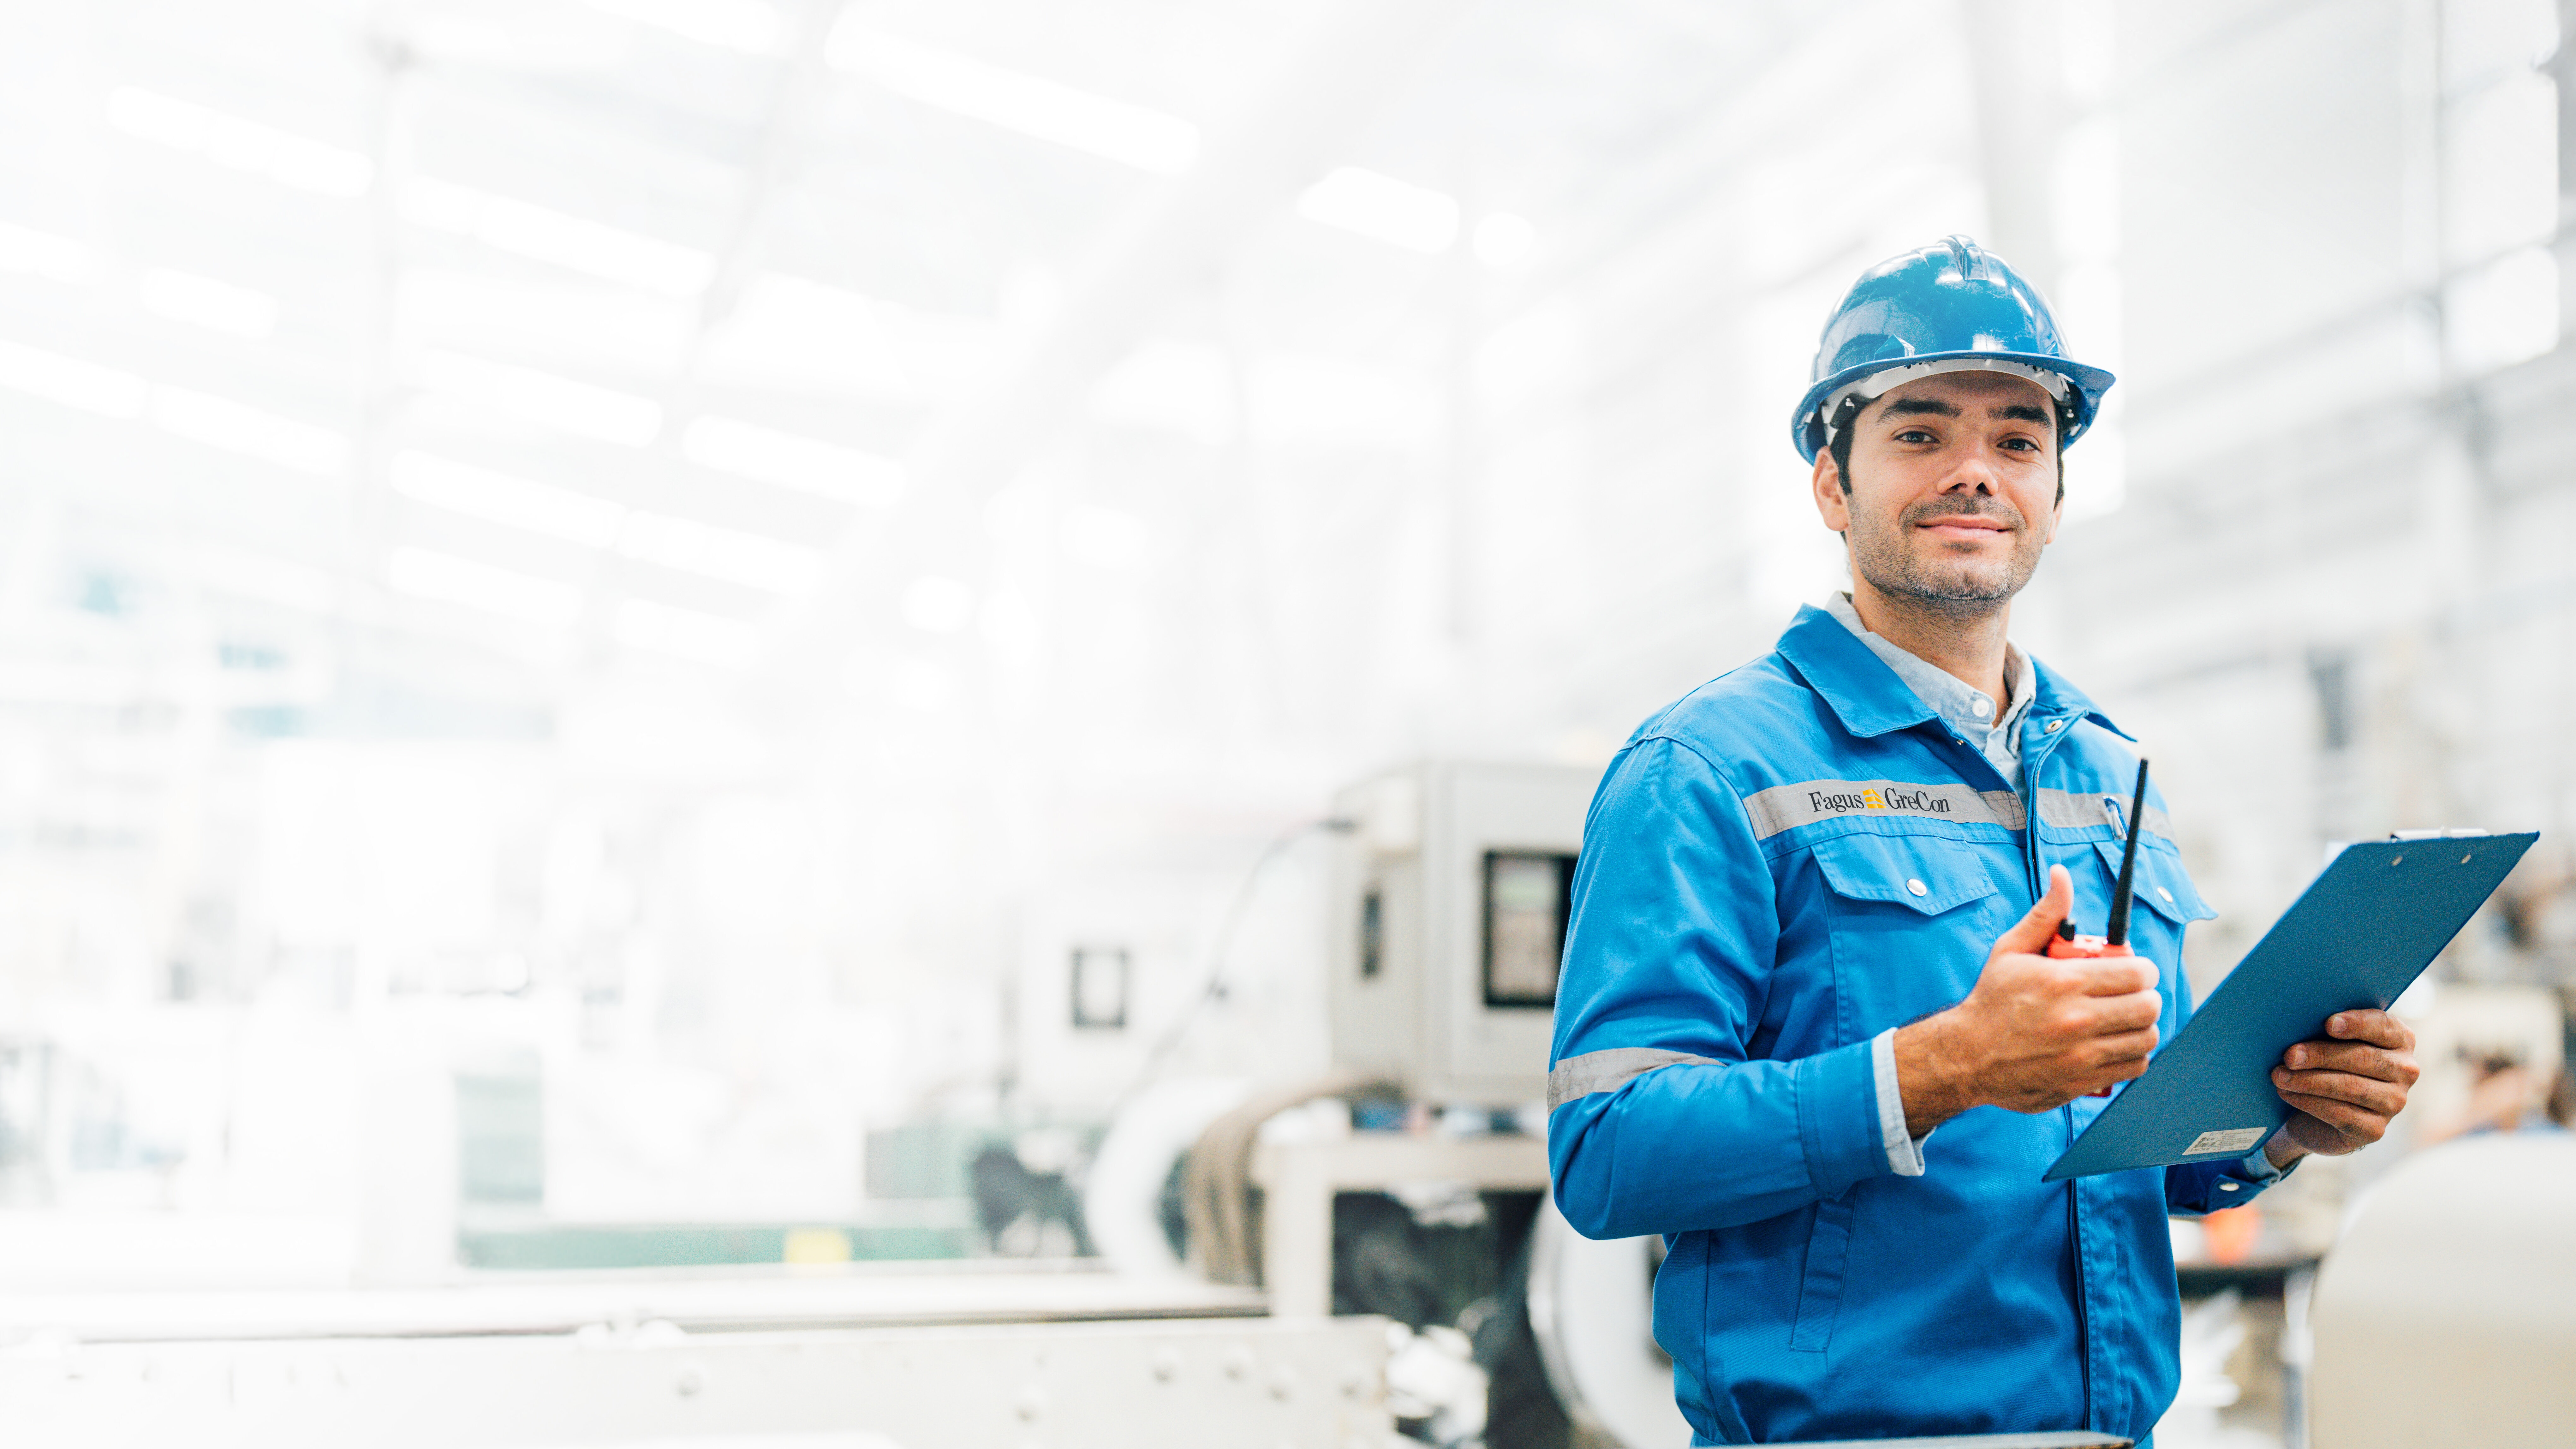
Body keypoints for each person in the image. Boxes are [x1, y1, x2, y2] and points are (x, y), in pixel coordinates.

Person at [1544, 237, 2421, 1444]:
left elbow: (2122, 1160)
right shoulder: (1704, 768)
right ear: (1829, 484)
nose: (1975, 473)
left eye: (2018, 440)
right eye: (1919, 434)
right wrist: (1944, 1066)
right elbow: (1607, 1151)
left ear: (2056, 494)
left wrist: (2281, 1125)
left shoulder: (2110, 776)